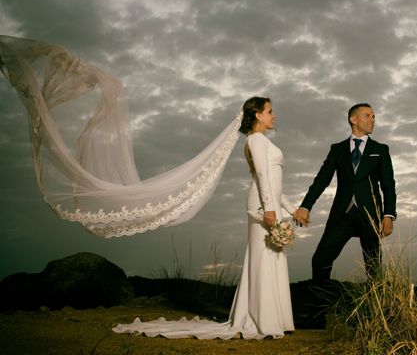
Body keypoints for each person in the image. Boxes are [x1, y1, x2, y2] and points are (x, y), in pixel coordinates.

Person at [113, 97, 296, 339]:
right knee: (263, 258)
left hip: (270, 202)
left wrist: (292, 210)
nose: (274, 115)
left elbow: (276, 184)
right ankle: (262, 321)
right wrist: (270, 208)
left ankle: (276, 320)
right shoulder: (256, 140)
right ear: (258, 115)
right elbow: (262, 175)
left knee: (274, 257)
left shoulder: (262, 141)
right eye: (270, 111)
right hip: (263, 204)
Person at [294, 103, 397, 287]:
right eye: (367, 116)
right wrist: (306, 206)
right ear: (353, 119)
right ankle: (319, 314)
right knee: (320, 260)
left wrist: (389, 214)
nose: (372, 120)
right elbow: (322, 180)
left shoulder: (381, 150)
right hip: (342, 214)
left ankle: (375, 313)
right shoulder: (337, 149)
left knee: (374, 268)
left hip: (370, 215)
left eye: (373, 116)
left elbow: (388, 185)